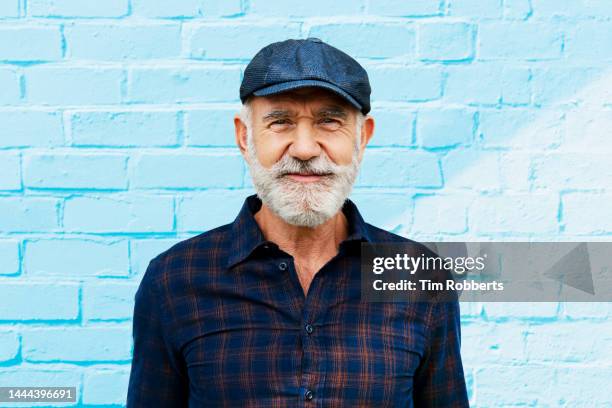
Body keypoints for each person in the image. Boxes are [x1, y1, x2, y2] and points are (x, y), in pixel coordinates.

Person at [127, 38, 469, 407]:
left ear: (362, 137)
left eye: (330, 121)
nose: (305, 149)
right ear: (245, 137)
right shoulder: (174, 280)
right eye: (280, 122)